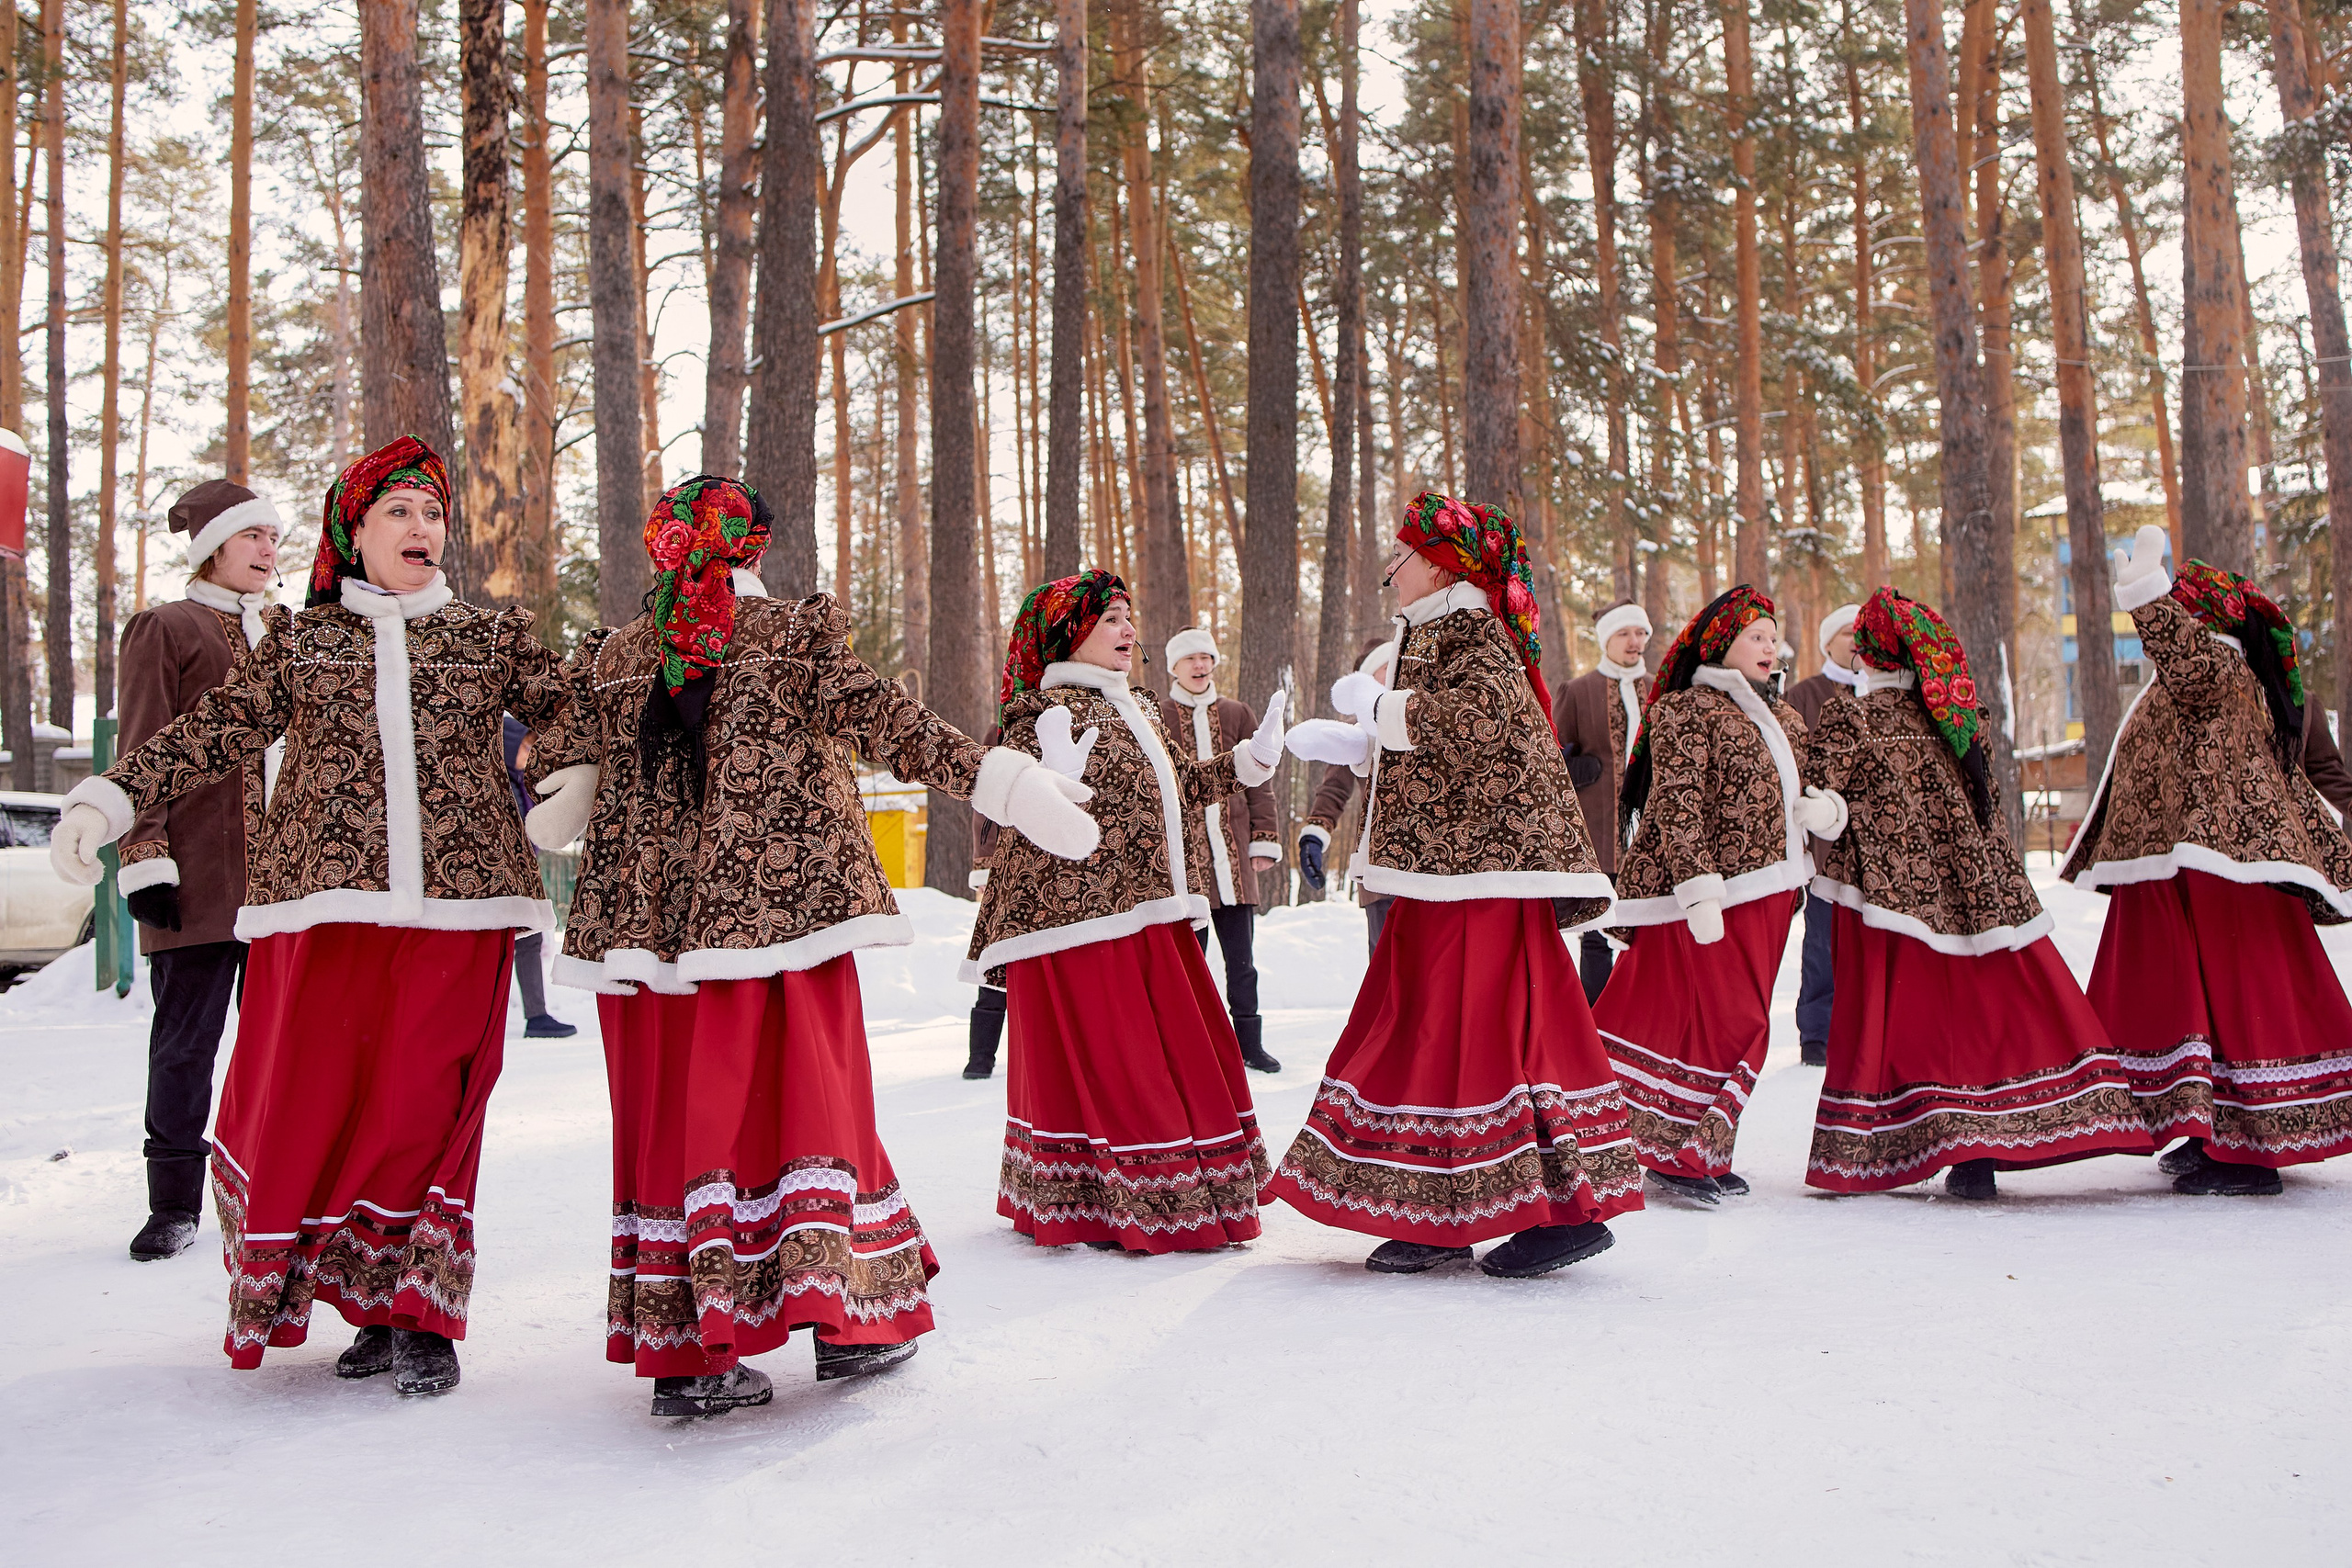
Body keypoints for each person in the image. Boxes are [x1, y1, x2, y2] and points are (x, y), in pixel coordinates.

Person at [522, 476, 1097, 1416]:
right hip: (778, 924)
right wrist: (1003, 785)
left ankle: (692, 1352)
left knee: (675, 1118)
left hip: (646, 938)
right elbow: (893, 726)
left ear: (661, 546)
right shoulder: (785, 637)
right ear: (754, 548)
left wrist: (571, 783)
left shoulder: (620, 653)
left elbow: (565, 746)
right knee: (809, 1105)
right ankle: (844, 1321)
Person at [51, 436, 569, 1395]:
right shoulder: (304, 641)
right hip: (327, 910)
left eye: (433, 513)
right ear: (355, 532)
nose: (423, 528)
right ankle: (365, 1301)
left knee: (427, 1105)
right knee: (336, 1106)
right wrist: (111, 802)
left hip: (462, 908)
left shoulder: (488, 636)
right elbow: (206, 734)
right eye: (399, 513)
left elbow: (577, 714)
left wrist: (571, 773)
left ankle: (421, 1314)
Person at [1269, 492, 1641, 1279]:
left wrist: (1380, 704)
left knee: (1466, 1026)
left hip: (1477, 872)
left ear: (1438, 563)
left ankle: (1542, 1210)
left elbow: (1478, 719)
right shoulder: (1442, 628)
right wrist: (1366, 735)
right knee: (1446, 1023)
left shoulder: (1470, 628)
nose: (1391, 573)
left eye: (1397, 559)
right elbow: (1448, 739)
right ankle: (1457, 1209)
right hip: (1452, 869)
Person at [965, 570, 1285, 1254]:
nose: (1128, 630)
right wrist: (1054, 777)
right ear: (1069, 636)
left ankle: (1170, 1188)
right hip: (1081, 921)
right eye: (1110, 619)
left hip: (1149, 908)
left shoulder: (1133, 704)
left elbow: (1185, 782)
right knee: (1124, 1064)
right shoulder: (1036, 715)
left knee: (1163, 1056)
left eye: (1127, 618)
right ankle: (1118, 1200)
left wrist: (1248, 761)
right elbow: (1007, 797)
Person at [1804, 588, 2150, 1199]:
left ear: (1868, 656)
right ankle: (1980, 1147)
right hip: (1975, 887)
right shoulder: (1957, 716)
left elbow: (1827, 795)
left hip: (1894, 890)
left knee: (1906, 1013)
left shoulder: (1854, 716)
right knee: (1979, 1004)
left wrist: (1819, 810)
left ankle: (1895, 1141)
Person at [2062, 527, 2352, 1195]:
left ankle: (2249, 1154)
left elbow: (2182, 658)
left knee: (2233, 992)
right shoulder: (2217, 676)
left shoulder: (2214, 668)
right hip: (2196, 865)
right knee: (2203, 999)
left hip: (2222, 867)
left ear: (2201, 618)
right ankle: (2213, 1130)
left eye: (2180, 610)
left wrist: (2147, 594)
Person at [1591, 586, 1846, 1205]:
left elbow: (1809, 784)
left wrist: (1824, 808)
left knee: (1746, 1025)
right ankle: (1661, 1146)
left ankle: (1705, 1146)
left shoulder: (1783, 716)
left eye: (1772, 635)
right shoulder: (1688, 709)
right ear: (1723, 641)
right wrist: (1697, 888)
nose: (1770, 646)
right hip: (1709, 895)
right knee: (1715, 1018)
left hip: (1775, 892)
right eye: (1755, 635)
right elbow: (1676, 801)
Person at [112, 479, 287, 1262]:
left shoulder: (287, 632)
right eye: (252, 536)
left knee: (282, 1045)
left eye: (273, 538)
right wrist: (145, 856)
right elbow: (142, 748)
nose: (267, 550)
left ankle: (273, 1190)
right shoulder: (167, 627)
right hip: (201, 878)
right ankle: (172, 1200)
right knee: (186, 1042)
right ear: (212, 544)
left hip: (287, 884)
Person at [1160, 625, 1283, 1073]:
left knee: (1242, 962)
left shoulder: (1236, 713)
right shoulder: (1157, 713)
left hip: (1232, 857)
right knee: (1188, 964)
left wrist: (1264, 838)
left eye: (1205, 658)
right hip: (1181, 862)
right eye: (1189, 658)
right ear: (1174, 665)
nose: (1199, 666)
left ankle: (1249, 1044)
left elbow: (1260, 782)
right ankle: (1189, 1051)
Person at [1554, 600, 1651, 1002]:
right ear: (1606, 639)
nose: (1635, 642)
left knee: (1647, 929)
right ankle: (1594, 1024)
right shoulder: (1578, 691)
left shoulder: (1663, 690)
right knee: (1596, 933)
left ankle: (1636, 1018)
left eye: (1640, 633)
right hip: (1597, 830)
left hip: (1650, 832)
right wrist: (1580, 769)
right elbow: (1551, 758)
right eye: (1624, 634)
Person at [1781, 604, 1863, 1066]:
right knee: (1823, 940)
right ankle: (1818, 1035)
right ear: (1827, 642)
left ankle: (1872, 1029)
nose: (1858, 641)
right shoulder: (1805, 694)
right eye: (1849, 633)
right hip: (1826, 842)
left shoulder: (1881, 690)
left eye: (1864, 634)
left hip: (1881, 844)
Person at [1298, 637, 1397, 953]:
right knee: (1386, 971)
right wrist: (1315, 833)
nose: (1392, 672)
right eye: (1381, 670)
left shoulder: (1428, 715)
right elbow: (1334, 787)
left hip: (1436, 872)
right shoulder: (1356, 732)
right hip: (1380, 866)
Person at [499, 715, 576, 1039]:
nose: (530, 755)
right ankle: (533, 1015)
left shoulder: (519, 786)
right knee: (521, 941)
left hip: (520, 871)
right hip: (504, 878)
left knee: (528, 939)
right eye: (527, 747)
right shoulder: (502, 788)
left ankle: (536, 1015)